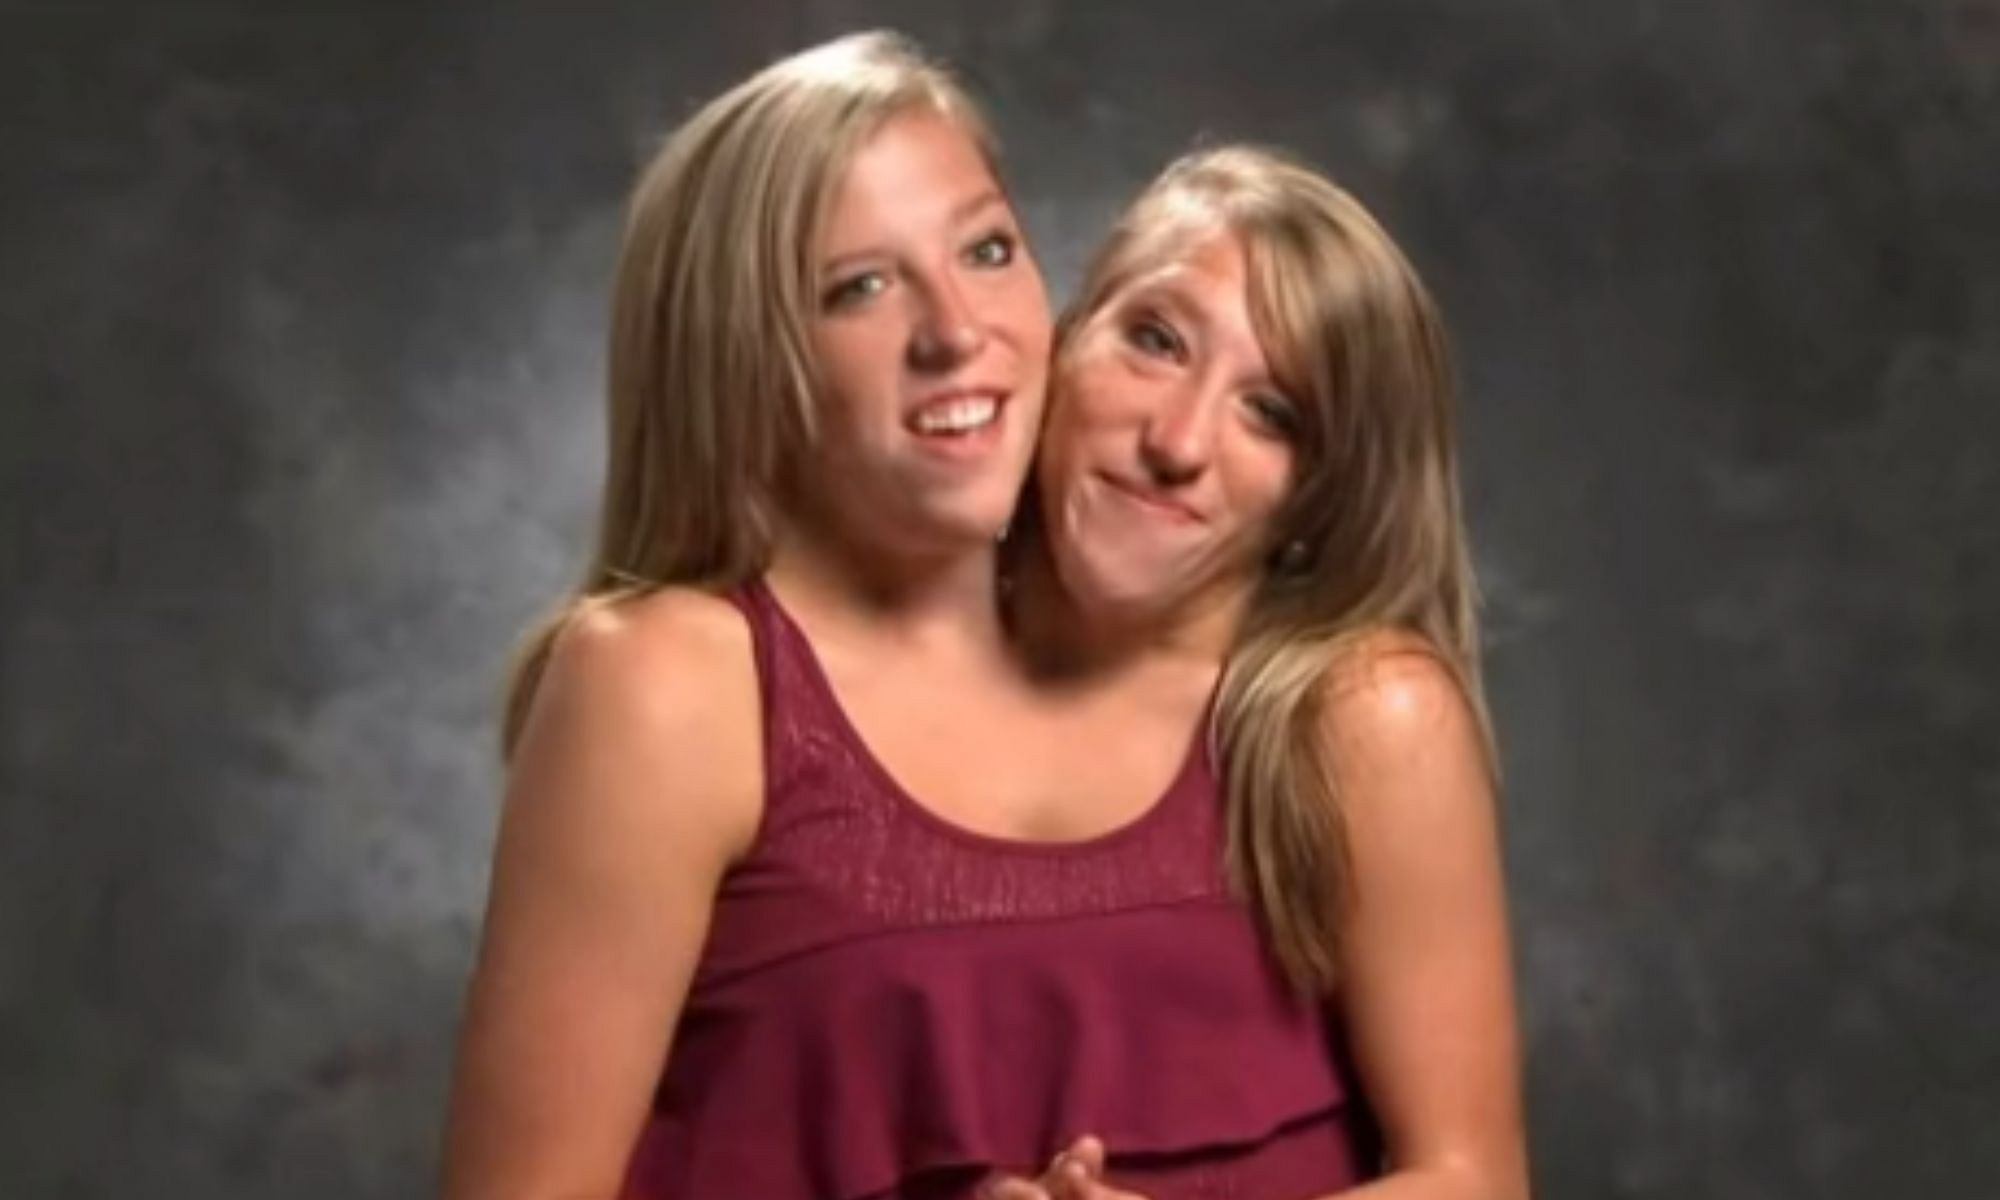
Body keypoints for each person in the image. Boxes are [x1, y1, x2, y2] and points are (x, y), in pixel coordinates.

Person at [440, 30, 1059, 1199]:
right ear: (738, 364)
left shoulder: (1160, 639)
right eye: (857, 288)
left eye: (986, 249)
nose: (955, 332)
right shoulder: (665, 683)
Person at [986, 147, 1528, 1199]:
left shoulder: (1362, 717)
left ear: (1318, 497)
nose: (1178, 441)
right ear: (1067, 336)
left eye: (1271, 413)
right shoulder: (856, 663)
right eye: (1155, 341)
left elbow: (1477, 1181)